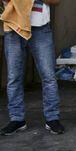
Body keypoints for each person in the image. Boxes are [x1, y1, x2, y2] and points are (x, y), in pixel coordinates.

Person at [0, 0, 64, 135]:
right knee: (14, 77)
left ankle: (52, 118)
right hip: (13, 26)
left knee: (49, 76)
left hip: (40, 28)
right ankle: (17, 119)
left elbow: (57, 1)